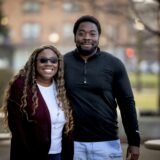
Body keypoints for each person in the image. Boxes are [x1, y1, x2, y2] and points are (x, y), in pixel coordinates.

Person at [64, 15, 140, 160]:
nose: (87, 37)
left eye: (92, 33)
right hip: (72, 143)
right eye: (81, 33)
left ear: (99, 37)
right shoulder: (62, 63)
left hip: (106, 143)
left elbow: (127, 103)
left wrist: (134, 141)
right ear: (75, 36)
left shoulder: (114, 64)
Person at [2, 45, 73, 160]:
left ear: (58, 64)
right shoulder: (21, 86)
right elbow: (17, 128)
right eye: (43, 60)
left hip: (59, 154)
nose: (48, 64)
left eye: (53, 60)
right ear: (34, 63)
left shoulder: (61, 88)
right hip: (31, 155)